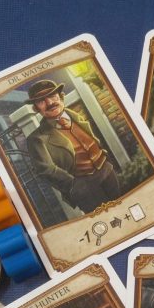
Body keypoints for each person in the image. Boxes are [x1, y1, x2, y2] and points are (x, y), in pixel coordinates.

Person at [26, 79, 120, 215]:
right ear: (36, 108)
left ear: (61, 97)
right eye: (41, 101)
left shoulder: (76, 116)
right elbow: (46, 169)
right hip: (84, 187)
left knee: (125, 206)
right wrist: (75, 185)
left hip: (107, 171)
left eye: (52, 96)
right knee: (106, 219)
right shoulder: (36, 139)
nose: (50, 103)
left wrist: (106, 163)